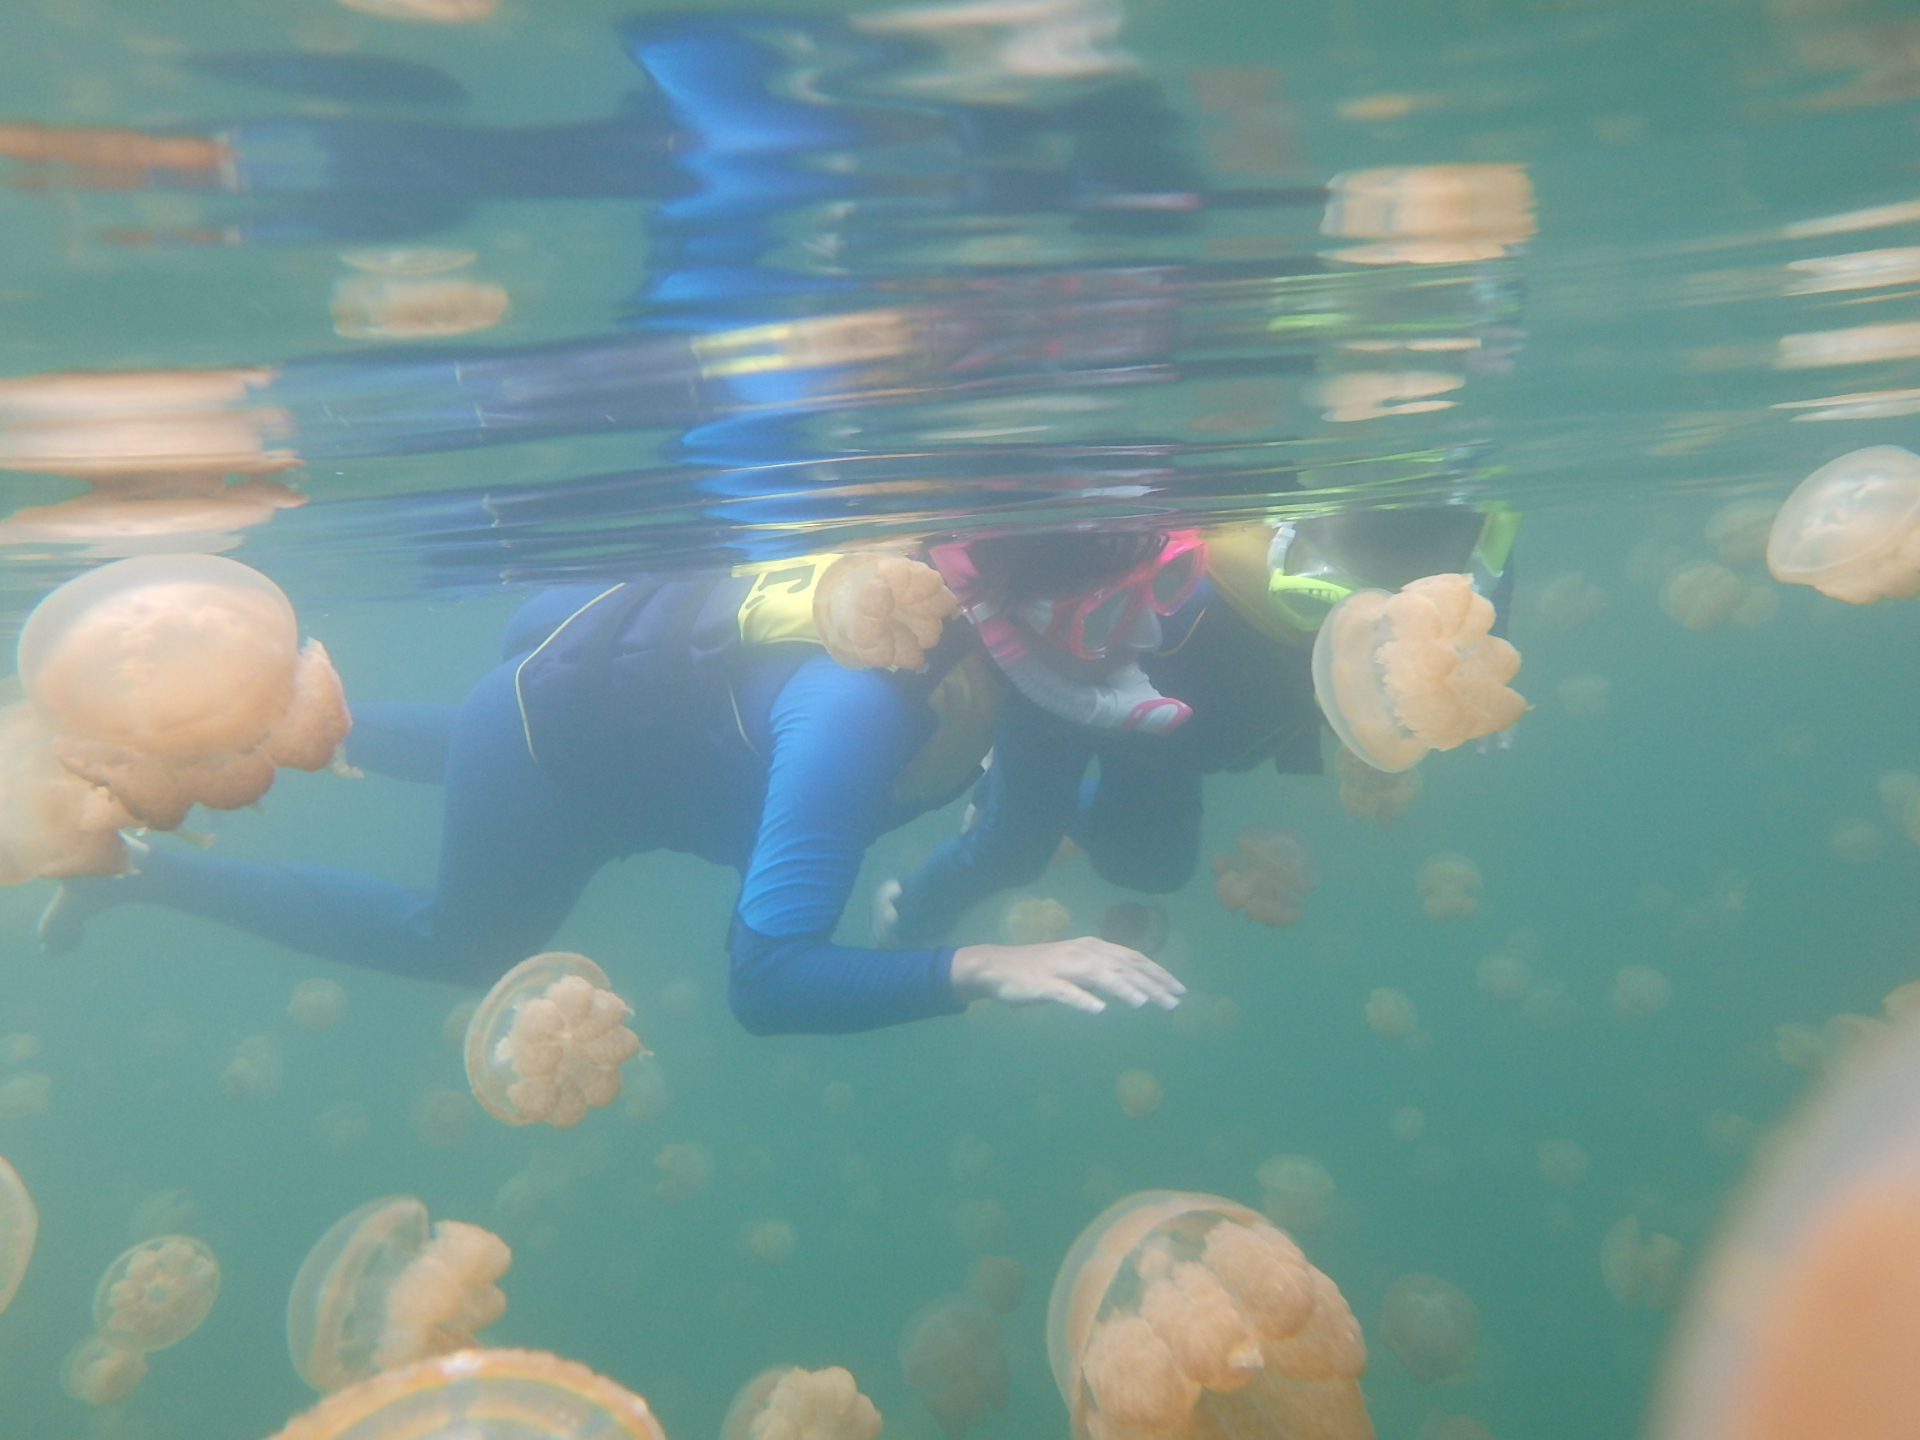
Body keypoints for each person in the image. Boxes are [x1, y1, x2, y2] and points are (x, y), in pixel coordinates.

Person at [37, 536, 1184, 1034]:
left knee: (513, 750)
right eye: (1111, 614)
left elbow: (1012, 799)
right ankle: (140, 866)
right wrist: (986, 965)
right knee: (464, 942)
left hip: (600, 705)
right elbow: (766, 981)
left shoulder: (983, 650)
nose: (1146, 632)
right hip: (561, 752)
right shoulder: (860, 708)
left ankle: (218, 735)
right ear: (1015, 614)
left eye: (1163, 588)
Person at [879, 506, 1518, 946]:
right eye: (1323, 595)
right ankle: (908, 918)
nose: (1377, 629)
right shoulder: (1209, 578)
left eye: (1432, 611)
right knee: (1013, 848)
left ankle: (1020, 797)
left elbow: (1484, 570)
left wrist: (1484, 659)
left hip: (1168, 742)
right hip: (1069, 702)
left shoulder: (1454, 550)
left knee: (1155, 869)